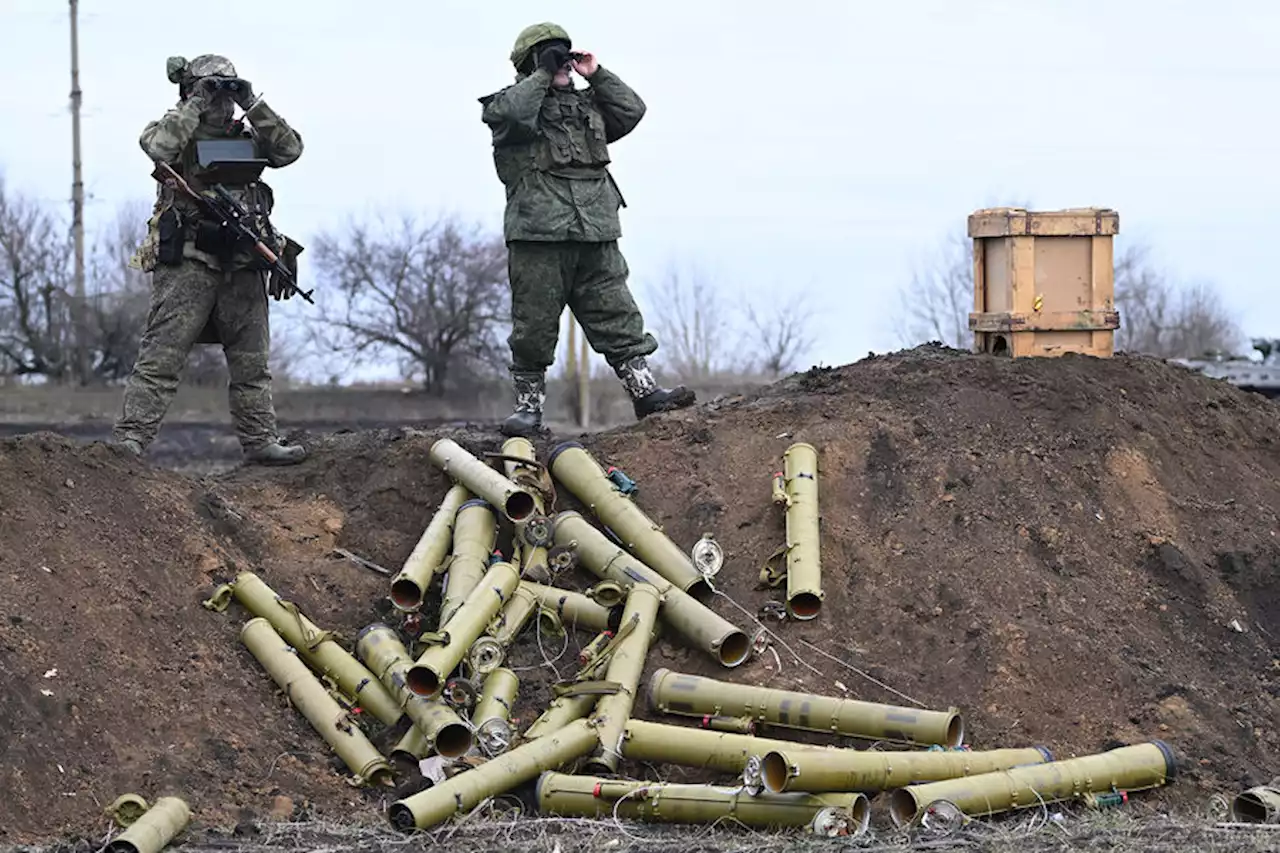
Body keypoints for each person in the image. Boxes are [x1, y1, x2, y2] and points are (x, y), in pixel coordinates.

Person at [480, 23, 696, 438]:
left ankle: (645, 391)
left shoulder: (586, 108)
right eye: (548, 54)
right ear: (530, 64)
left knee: (618, 314)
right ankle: (529, 410)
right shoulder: (510, 109)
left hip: (595, 232)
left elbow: (631, 110)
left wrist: (595, 73)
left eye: (561, 53)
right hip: (539, 236)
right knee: (534, 325)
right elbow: (511, 114)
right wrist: (542, 75)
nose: (559, 61)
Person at [112, 54, 307, 465]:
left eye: (227, 90)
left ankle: (260, 442)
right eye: (212, 90)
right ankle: (130, 440)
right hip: (189, 258)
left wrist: (253, 102)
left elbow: (289, 150)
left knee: (252, 361)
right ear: (188, 91)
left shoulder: (248, 134)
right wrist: (195, 103)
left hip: (243, 258)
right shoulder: (173, 130)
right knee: (161, 356)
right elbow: (158, 148)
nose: (223, 101)